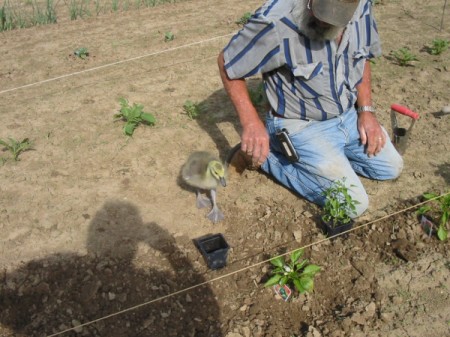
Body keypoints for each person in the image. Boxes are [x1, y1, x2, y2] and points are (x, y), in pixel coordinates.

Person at [218, 0, 403, 217]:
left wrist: (366, 111)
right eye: (322, 14)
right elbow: (227, 63)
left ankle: (327, 159)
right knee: (352, 203)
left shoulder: (361, 6)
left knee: (391, 168)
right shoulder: (275, 20)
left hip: (348, 116)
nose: (326, 22)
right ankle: (269, 156)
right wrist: (251, 122)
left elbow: (362, 57)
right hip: (301, 124)